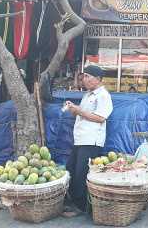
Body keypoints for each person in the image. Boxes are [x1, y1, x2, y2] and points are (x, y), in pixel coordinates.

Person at [63, 65, 114, 217]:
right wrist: (74, 109)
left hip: (91, 141)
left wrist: (79, 111)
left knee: (81, 173)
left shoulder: (103, 95)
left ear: (98, 79)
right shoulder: (87, 95)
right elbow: (84, 114)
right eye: (84, 76)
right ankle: (73, 202)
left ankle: (81, 207)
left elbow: (100, 117)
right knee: (71, 169)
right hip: (80, 139)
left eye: (88, 76)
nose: (84, 79)